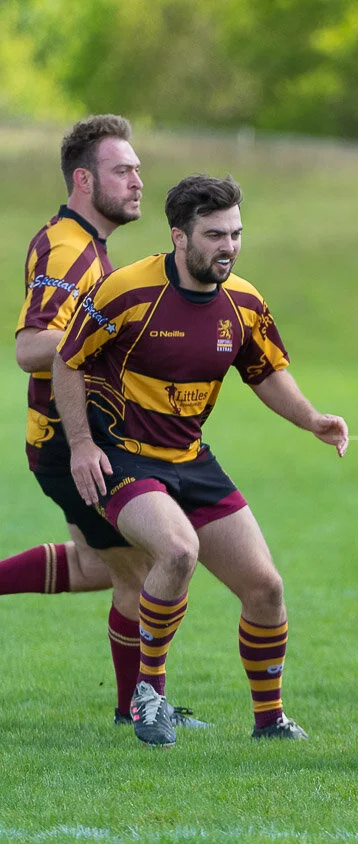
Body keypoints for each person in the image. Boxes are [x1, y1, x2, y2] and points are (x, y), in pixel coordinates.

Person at [53, 175, 349, 747]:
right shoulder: (126, 290)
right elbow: (68, 360)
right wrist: (83, 446)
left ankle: (270, 723)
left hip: (191, 458)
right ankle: (150, 694)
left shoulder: (244, 300)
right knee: (178, 550)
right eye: (215, 234)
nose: (229, 247)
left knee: (265, 588)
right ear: (179, 235)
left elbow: (265, 371)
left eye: (236, 233)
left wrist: (312, 419)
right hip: (125, 459)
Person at [6, 114, 191, 727]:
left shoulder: (88, 243)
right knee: (141, 568)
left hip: (71, 434)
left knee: (99, 565)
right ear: (84, 180)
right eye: (123, 170)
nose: (138, 180)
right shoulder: (67, 246)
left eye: (138, 169)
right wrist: (101, 342)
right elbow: (31, 345)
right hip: (67, 438)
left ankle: (131, 707)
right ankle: (136, 710)